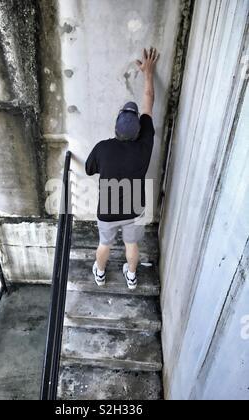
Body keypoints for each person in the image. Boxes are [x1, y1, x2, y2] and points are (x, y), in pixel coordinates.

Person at [85, 48, 159, 290]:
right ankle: (131, 276)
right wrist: (148, 73)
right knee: (131, 245)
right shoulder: (145, 141)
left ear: (115, 127)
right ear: (138, 127)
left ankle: (100, 272)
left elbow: (89, 169)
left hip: (106, 211)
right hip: (134, 208)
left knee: (104, 244)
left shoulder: (102, 148)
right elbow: (149, 99)